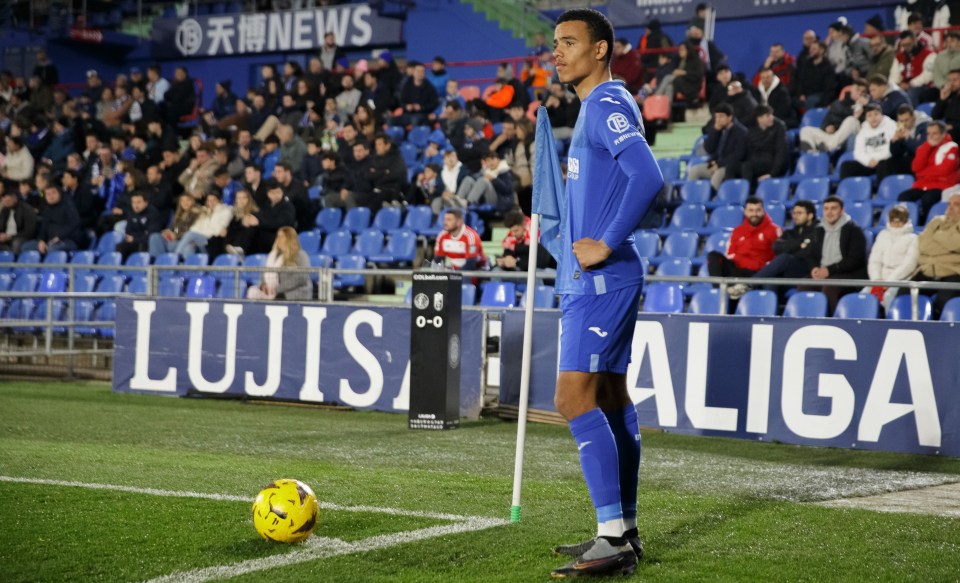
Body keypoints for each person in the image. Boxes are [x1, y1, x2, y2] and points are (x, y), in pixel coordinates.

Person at [547, 8, 663, 579]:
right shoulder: (596, 107)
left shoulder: (607, 103)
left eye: (569, 42)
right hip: (600, 280)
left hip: (602, 280)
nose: (557, 52)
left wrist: (604, 242)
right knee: (611, 400)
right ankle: (624, 529)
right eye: (554, 43)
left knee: (572, 400)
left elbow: (648, 176)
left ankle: (612, 537)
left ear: (600, 50)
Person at [898, 194, 960, 318]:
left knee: (944, 301)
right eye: (949, 204)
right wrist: (948, 247)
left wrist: (937, 236)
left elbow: (957, 244)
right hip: (928, 271)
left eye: (957, 204)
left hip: (953, 272)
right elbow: (924, 245)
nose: (951, 208)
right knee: (902, 295)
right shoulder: (936, 221)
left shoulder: (937, 229)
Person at [707, 197, 782, 298]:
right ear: (745, 212)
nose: (755, 214)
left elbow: (778, 258)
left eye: (758, 210)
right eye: (751, 210)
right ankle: (719, 292)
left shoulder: (774, 230)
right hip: (738, 269)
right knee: (713, 256)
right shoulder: (737, 231)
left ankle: (730, 290)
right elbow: (730, 254)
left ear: (763, 211)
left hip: (757, 272)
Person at [806, 196, 868, 313]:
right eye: (826, 209)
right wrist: (814, 268)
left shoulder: (854, 230)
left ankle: (830, 323)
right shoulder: (818, 230)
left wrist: (829, 270)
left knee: (830, 287)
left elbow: (855, 259)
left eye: (833, 208)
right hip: (825, 272)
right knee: (804, 285)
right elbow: (811, 255)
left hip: (849, 273)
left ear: (842, 211)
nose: (829, 212)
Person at [748, 200, 820, 290]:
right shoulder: (790, 232)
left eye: (799, 213)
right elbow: (776, 247)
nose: (795, 216)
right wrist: (799, 244)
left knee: (785, 258)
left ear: (810, 216)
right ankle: (767, 303)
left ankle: (749, 284)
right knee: (771, 279)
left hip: (807, 270)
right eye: (794, 213)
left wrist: (789, 250)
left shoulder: (818, 231)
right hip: (789, 270)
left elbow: (807, 253)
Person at [898, 121, 960, 224]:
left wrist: (923, 173)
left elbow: (945, 170)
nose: (930, 136)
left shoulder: (952, 147)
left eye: (934, 133)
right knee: (903, 197)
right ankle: (904, 223)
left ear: (943, 134)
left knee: (928, 199)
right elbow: (915, 168)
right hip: (922, 185)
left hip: (941, 186)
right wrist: (927, 146)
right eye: (928, 134)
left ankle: (926, 223)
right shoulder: (924, 147)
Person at [866, 205, 919, 312]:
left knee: (888, 297)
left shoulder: (914, 238)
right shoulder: (882, 235)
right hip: (879, 280)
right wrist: (876, 281)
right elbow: (874, 260)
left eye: (900, 220)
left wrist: (889, 282)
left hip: (900, 280)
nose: (896, 224)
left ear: (906, 221)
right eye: (893, 220)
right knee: (863, 296)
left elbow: (909, 264)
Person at [687, 103, 747, 191]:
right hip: (715, 163)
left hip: (729, 166)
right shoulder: (718, 130)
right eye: (717, 117)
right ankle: (691, 198)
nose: (718, 120)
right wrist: (715, 132)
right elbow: (709, 149)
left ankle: (713, 198)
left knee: (717, 174)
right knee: (695, 170)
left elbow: (739, 155)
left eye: (721, 116)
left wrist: (719, 164)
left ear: (730, 117)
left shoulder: (741, 132)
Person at [798, 79, 868, 153]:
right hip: (833, 136)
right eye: (857, 89)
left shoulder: (867, 107)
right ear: (851, 89)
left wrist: (865, 108)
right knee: (805, 130)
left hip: (848, 138)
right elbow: (826, 121)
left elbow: (867, 126)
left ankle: (827, 147)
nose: (860, 93)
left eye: (863, 92)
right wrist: (827, 128)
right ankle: (812, 155)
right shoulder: (837, 103)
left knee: (851, 120)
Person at [246, 226, 312, 301]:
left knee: (276, 298)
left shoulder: (300, 255)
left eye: (282, 237)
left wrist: (277, 289)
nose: (279, 240)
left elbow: (301, 277)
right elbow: (264, 274)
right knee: (252, 292)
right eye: (278, 237)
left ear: (289, 238)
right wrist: (263, 285)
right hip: (274, 292)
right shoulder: (273, 256)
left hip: (293, 293)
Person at [838, 102, 898, 181]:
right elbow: (858, 153)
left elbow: (892, 149)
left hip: (884, 160)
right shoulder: (863, 130)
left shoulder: (891, 125)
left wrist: (877, 159)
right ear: (866, 118)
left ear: (881, 115)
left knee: (884, 165)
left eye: (876, 114)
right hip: (869, 162)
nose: (873, 118)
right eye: (870, 115)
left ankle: (881, 190)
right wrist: (868, 161)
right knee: (846, 166)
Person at [22, 185, 85, 255]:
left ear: (59, 193)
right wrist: (41, 240)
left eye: (53, 193)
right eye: (48, 194)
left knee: (52, 248)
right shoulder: (47, 209)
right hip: (50, 241)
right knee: (26, 247)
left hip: (68, 240)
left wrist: (59, 237)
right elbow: (43, 228)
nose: (51, 196)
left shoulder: (68, 206)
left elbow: (75, 223)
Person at [737, 105, 788, 188]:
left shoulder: (779, 127)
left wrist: (772, 174)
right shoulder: (751, 129)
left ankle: (747, 194)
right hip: (756, 162)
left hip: (771, 163)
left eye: (772, 114)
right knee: (732, 166)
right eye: (768, 116)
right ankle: (728, 194)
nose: (772, 118)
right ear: (759, 118)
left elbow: (781, 152)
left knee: (747, 166)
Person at [174, 191, 233, 259]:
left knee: (190, 235)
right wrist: (195, 238)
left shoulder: (225, 211)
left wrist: (198, 234)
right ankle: (186, 268)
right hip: (200, 239)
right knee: (188, 247)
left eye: (213, 200)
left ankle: (174, 258)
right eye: (209, 200)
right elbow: (195, 228)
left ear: (219, 200)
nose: (211, 202)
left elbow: (219, 230)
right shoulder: (205, 211)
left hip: (211, 241)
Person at [148, 193, 201, 258]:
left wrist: (176, 235)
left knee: (186, 247)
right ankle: (157, 264)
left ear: (193, 201)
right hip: (174, 243)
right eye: (182, 201)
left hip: (187, 243)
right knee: (155, 237)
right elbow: (175, 229)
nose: (185, 203)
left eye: (188, 200)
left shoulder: (197, 214)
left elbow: (194, 231)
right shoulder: (178, 216)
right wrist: (168, 232)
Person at [116, 191, 164, 259]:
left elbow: (152, 234)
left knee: (142, 245)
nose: (136, 205)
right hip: (135, 241)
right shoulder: (131, 213)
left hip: (147, 243)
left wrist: (135, 238)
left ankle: (143, 267)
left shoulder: (153, 213)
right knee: (120, 246)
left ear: (146, 203)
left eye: (138, 202)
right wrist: (141, 235)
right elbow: (128, 232)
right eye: (133, 202)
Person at [0, 188, 37, 254]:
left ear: (14, 198)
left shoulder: (26, 209)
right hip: (6, 237)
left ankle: (15, 263)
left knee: (16, 243)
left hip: (20, 237)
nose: (5, 203)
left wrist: (10, 236)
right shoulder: (5, 210)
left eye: (8, 201)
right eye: (4, 201)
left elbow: (29, 231)